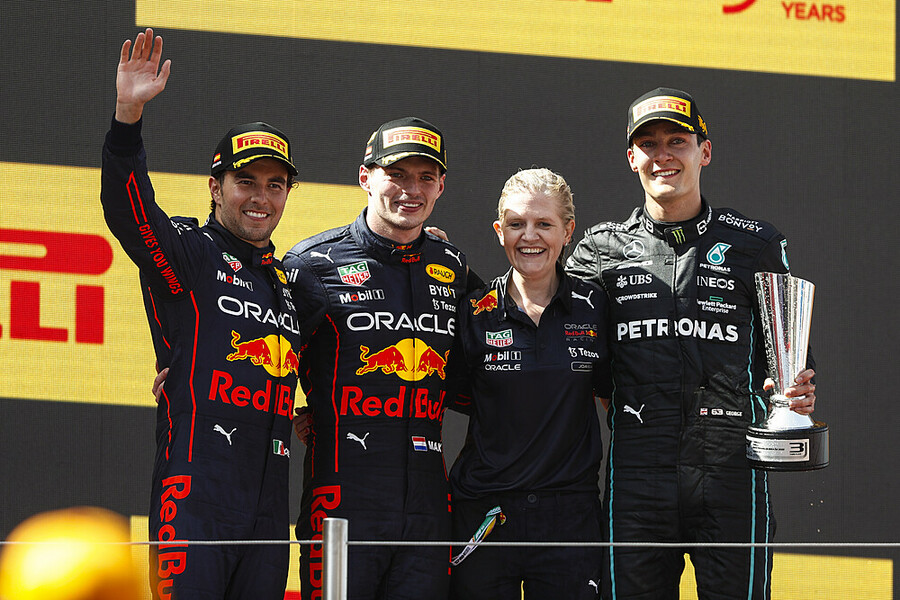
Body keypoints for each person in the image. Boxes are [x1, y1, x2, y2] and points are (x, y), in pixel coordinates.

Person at [567, 87, 816, 600]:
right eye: (649, 144)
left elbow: (791, 355)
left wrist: (796, 392)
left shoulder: (754, 242)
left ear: (705, 151)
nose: (663, 156)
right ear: (631, 158)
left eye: (676, 141)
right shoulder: (599, 250)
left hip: (731, 471)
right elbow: (558, 338)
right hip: (637, 474)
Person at [101, 29, 301, 600]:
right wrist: (128, 117)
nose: (261, 197)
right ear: (216, 187)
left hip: (269, 507)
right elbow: (128, 210)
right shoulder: (190, 254)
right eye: (245, 182)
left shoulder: (288, 283)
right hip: (195, 495)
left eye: (275, 185)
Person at [282, 117, 477, 600]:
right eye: (397, 175)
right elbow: (259, 357)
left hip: (428, 504)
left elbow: (494, 349)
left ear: (441, 186)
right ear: (365, 178)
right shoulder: (312, 264)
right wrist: (299, 413)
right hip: (341, 500)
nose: (412, 189)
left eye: (426, 177)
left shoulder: (451, 264)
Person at [446, 169, 609, 599]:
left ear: (568, 231)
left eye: (544, 224)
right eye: (516, 223)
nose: (529, 236)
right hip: (485, 511)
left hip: (569, 516)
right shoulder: (472, 311)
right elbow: (439, 397)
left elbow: (614, 397)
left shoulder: (595, 307)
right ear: (499, 231)